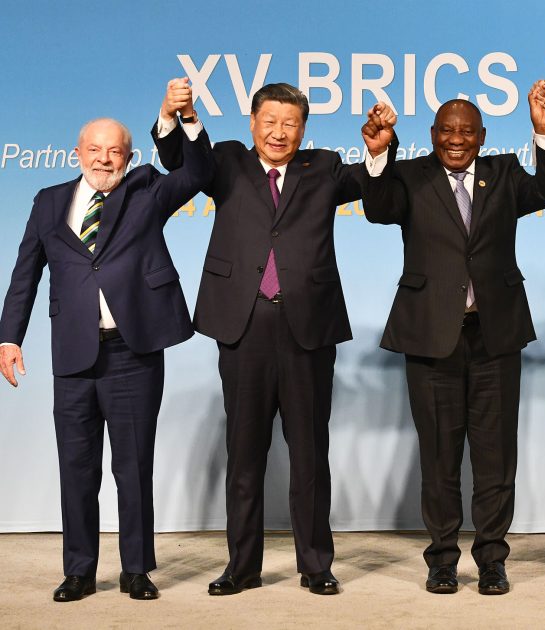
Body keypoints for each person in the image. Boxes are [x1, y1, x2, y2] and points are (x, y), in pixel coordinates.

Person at [152, 82, 396, 596]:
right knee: (244, 453)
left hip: (307, 326)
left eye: (290, 123)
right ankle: (241, 566)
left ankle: (315, 564)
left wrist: (378, 151)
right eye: (270, 122)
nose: (279, 133)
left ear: (303, 128)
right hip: (243, 324)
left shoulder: (324, 166)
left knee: (309, 453)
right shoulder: (226, 162)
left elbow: (375, 196)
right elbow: (180, 160)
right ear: (251, 122)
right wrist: (181, 117)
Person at [0, 81, 212, 602]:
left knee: (133, 467)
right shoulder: (48, 202)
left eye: (115, 150)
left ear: (129, 154)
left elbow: (201, 173)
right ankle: (79, 571)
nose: (104, 159)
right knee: (76, 467)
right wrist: (9, 338)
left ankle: (136, 569)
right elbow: (25, 274)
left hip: (132, 351)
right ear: (77, 153)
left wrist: (179, 115)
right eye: (94, 150)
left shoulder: (146, 190)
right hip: (73, 353)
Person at [359, 87, 545, 595]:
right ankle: (442, 560)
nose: (456, 139)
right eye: (447, 131)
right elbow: (378, 208)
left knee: (495, 459)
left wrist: (544, 130)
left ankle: (493, 560)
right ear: (432, 136)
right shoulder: (410, 175)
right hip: (431, 337)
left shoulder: (506, 174)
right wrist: (380, 150)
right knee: (439, 458)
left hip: (495, 336)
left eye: (467, 131)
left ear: (482, 137)